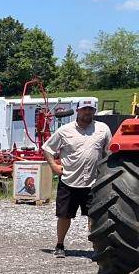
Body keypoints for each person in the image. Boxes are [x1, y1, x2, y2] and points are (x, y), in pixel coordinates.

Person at [42, 99, 112, 258]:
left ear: (95, 111)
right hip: (69, 181)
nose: (87, 112)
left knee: (95, 216)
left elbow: (109, 152)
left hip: (94, 182)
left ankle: (97, 247)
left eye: (91, 109)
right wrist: (53, 166)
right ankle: (60, 245)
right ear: (77, 111)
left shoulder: (103, 129)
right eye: (84, 109)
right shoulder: (64, 131)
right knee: (64, 216)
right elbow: (47, 148)